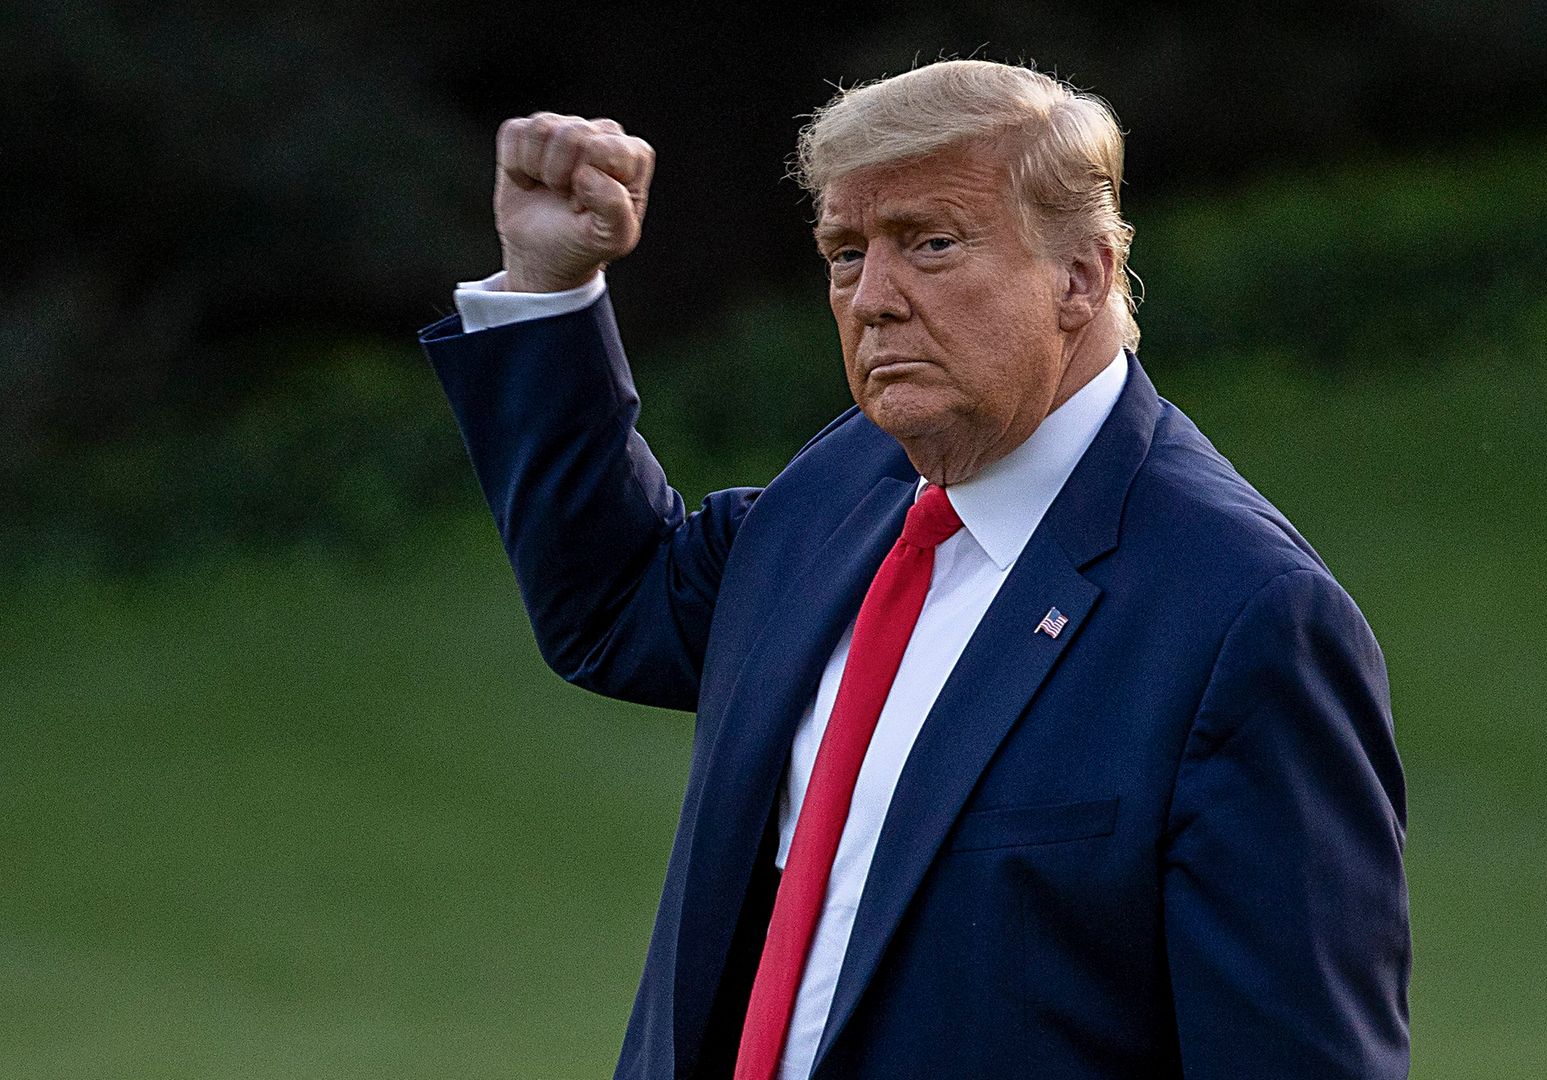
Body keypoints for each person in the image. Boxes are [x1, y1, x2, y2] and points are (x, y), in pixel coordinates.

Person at [418, 58, 1409, 1080]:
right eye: (845, 253)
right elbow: (619, 604)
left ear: (1083, 275)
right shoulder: (846, 483)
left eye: (930, 243)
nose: (874, 299)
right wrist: (548, 287)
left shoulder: (1245, 618)